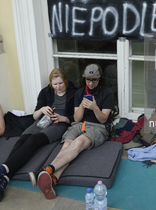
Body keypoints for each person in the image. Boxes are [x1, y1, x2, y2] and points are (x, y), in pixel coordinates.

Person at [0, 68, 77, 202]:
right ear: (50, 84)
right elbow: (35, 115)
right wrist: (42, 109)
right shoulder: (45, 92)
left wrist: (63, 118)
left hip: (59, 125)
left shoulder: (74, 93)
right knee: (21, 141)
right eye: (55, 84)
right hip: (41, 121)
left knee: (33, 140)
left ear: (65, 81)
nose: (58, 87)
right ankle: (2, 182)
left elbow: (76, 118)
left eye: (61, 83)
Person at [31, 64, 114, 199]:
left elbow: (103, 119)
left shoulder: (107, 92)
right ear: (84, 79)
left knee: (79, 142)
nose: (91, 83)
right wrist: (82, 105)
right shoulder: (79, 93)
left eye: (94, 80)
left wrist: (94, 107)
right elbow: (76, 118)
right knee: (67, 145)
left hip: (98, 127)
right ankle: (53, 179)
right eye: (88, 80)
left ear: (99, 79)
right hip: (79, 124)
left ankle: (45, 170)